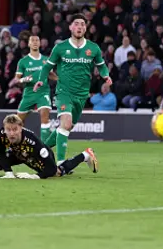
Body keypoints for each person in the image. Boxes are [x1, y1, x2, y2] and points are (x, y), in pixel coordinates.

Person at [34, 13, 112, 164]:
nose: (79, 26)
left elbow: (101, 66)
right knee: (66, 123)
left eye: (82, 24)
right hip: (64, 92)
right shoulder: (60, 47)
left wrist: (106, 76)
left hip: (82, 95)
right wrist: (41, 81)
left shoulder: (93, 48)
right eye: (76, 23)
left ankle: (41, 149)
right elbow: (47, 67)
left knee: (65, 128)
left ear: (85, 28)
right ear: (70, 27)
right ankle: (61, 163)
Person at [0, 114, 98, 179]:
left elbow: (50, 169)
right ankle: (9, 171)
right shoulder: (2, 134)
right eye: (8, 129)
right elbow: (2, 154)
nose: (11, 133)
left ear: (21, 128)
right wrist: (8, 173)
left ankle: (85, 155)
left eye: (15, 129)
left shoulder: (33, 141)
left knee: (55, 172)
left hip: (34, 156)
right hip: (17, 154)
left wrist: (33, 176)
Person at [14, 35, 58, 142]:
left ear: (40, 43)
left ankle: (44, 147)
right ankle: (16, 144)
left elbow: (51, 74)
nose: (34, 42)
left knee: (44, 114)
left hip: (43, 92)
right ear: (29, 44)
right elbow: (16, 80)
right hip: (29, 93)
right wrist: (24, 80)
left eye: (37, 40)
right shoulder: (23, 61)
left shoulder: (46, 60)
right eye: (32, 40)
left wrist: (61, 80)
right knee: (18, 121)